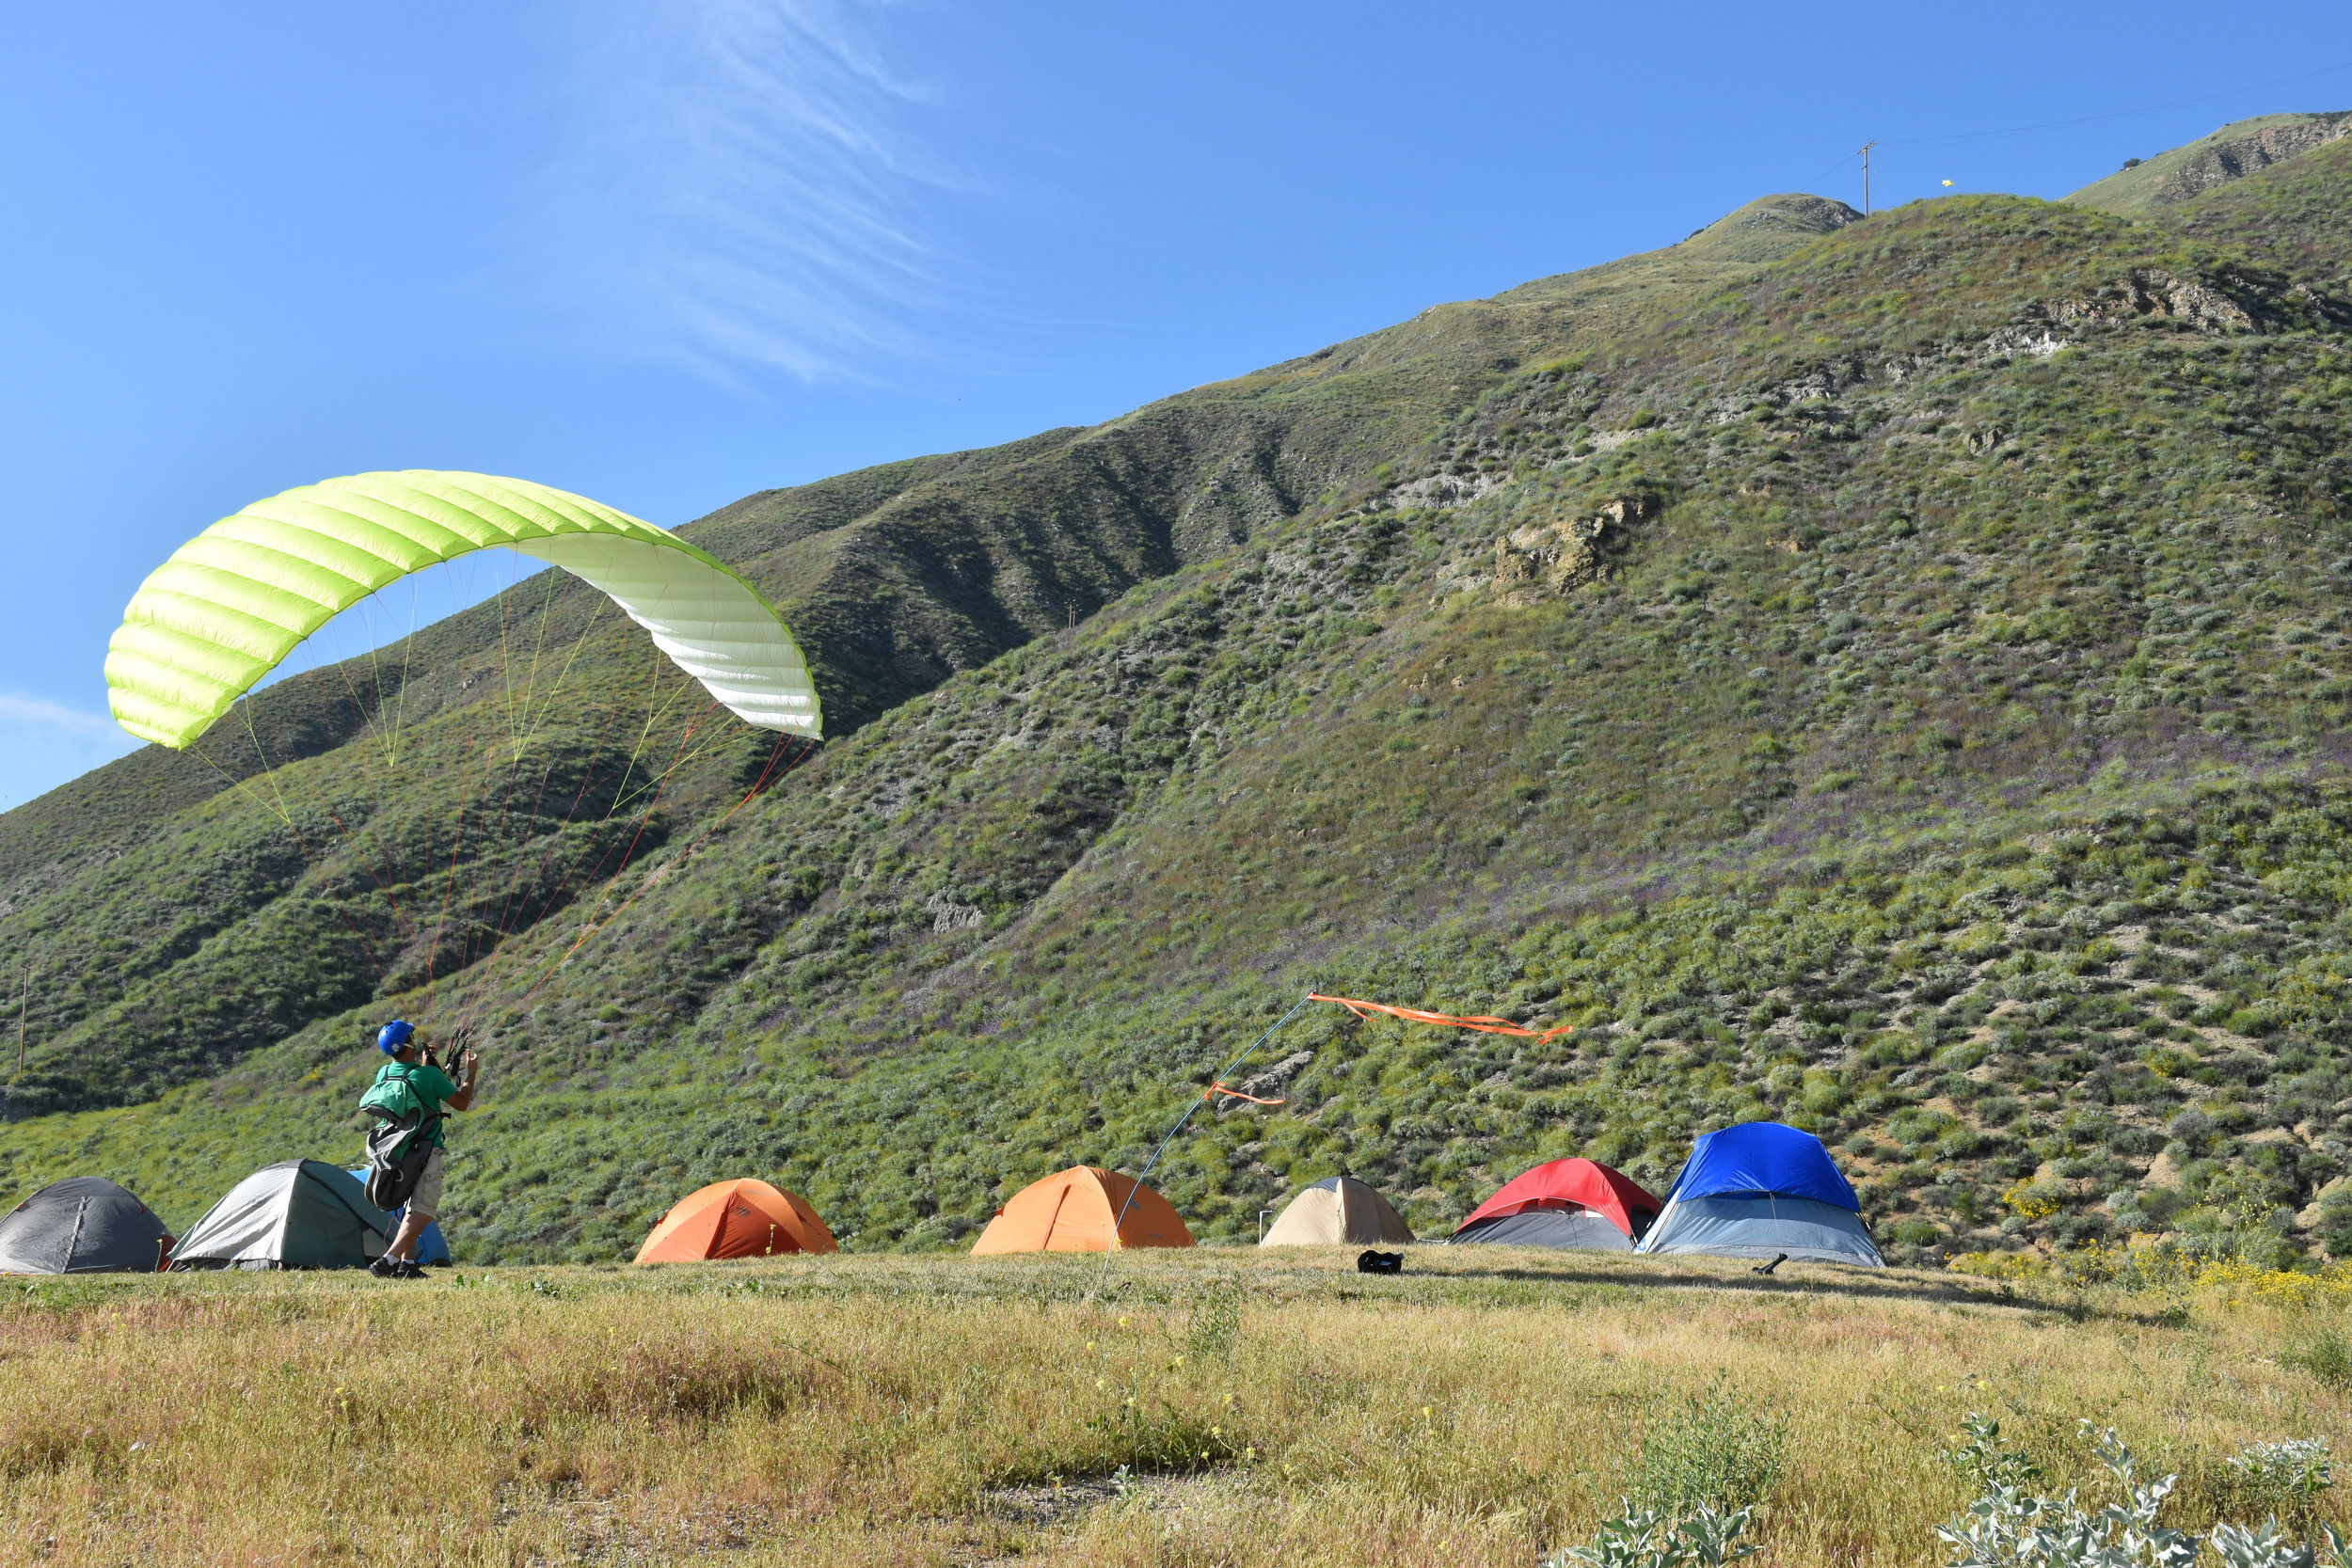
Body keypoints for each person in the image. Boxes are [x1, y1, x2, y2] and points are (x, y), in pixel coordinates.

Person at [366, 1020, 477, 1279]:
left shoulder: (384, 1074)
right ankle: (388, 1260)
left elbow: (415, 1086)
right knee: (424, 1209)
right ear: (408, 1044)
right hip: (426, 1149)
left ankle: (407, 1264)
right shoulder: (429, 1076)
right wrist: (471, 1073)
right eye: (411, 1037)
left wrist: (425, 1064)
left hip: (399, 1149)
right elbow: (461, 1103)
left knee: (410, 1206)